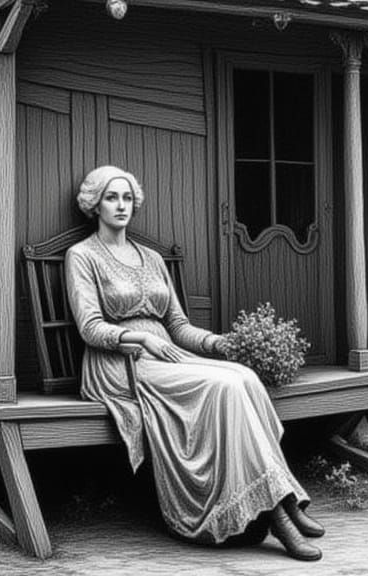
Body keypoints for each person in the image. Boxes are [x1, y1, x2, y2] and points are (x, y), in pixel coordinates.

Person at [65, 165, 324, 561]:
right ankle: (278, 515)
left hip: (169, 354)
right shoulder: (81, 256)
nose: (121, 205)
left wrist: (220, 344)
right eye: (111, 198)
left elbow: (178, 326)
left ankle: (282, 500)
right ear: (94, 205)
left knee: (244, 378)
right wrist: (140, 338)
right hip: (121, 362)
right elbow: (90, 327)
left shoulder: (150, 258)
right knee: (223, 388)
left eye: (127, 198)